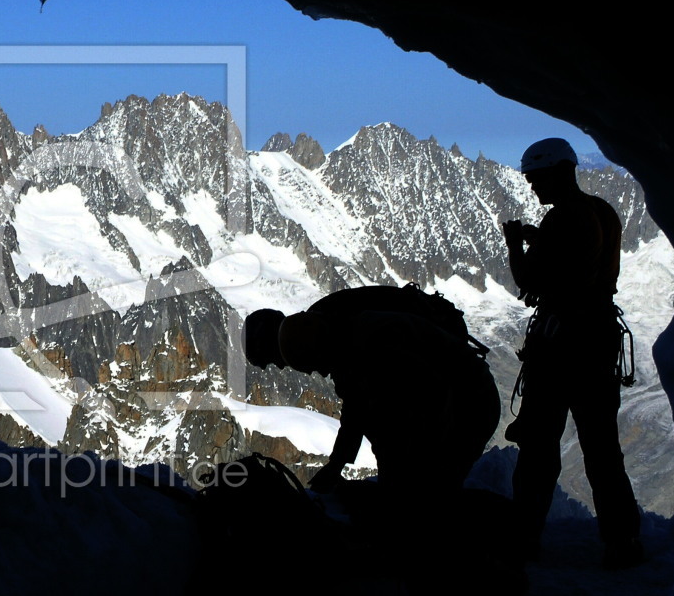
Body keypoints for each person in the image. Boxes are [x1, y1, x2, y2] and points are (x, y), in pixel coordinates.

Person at [503, 137, 643, 568]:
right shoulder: (602, 210)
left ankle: (524, 538)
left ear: (557, 173)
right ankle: (623, 542)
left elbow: (531, 280)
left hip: (561, 349)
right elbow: (584, 263)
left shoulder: (563, 219)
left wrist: (516, 244)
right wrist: (539, 237)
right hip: (597, 342)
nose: (532, 188)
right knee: (603, 450)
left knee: (539, 447)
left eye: (536, 179)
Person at [243, 287, 500, 505]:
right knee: (420, 494)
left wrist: (400, 476)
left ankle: (504, 536)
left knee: (429, 499)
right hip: (461, 394)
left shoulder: (371, 347)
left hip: (470, 401)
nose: (319, 372)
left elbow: (416, 403)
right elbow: (360, 405)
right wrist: (338, 464)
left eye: (314, 366)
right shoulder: (335, 331)